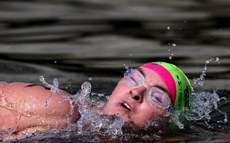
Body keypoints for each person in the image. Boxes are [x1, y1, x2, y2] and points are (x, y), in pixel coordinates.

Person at [0, 62, 191, 139]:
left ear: (170, 121)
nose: (136, 91)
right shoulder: (58, 108)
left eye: (157, 97)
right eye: (134, 78)